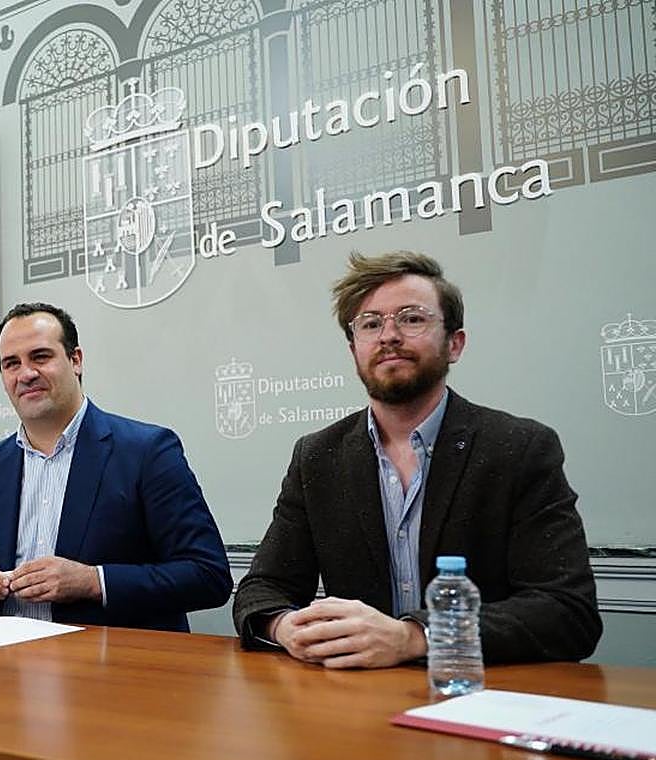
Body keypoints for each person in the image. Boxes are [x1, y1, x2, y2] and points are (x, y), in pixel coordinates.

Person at [233, 252, 601, 666]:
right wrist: (285, 626)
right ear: (354, 349)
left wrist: (415, 637)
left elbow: (568, 612)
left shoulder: (519, 447)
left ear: (454, 344)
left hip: (478, 688)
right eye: (370, 324)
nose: (388, 336)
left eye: (411, 319)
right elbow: (261, 590)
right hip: (356, 693)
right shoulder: (318, 456)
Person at [0, 302, 232, 632]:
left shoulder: (147, 451)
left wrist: (93, 581)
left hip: (108, 660)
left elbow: (208, 574)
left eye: (40, 357)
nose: (26, 374)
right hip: (4, 657)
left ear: (76, 360)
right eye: (11, 363)